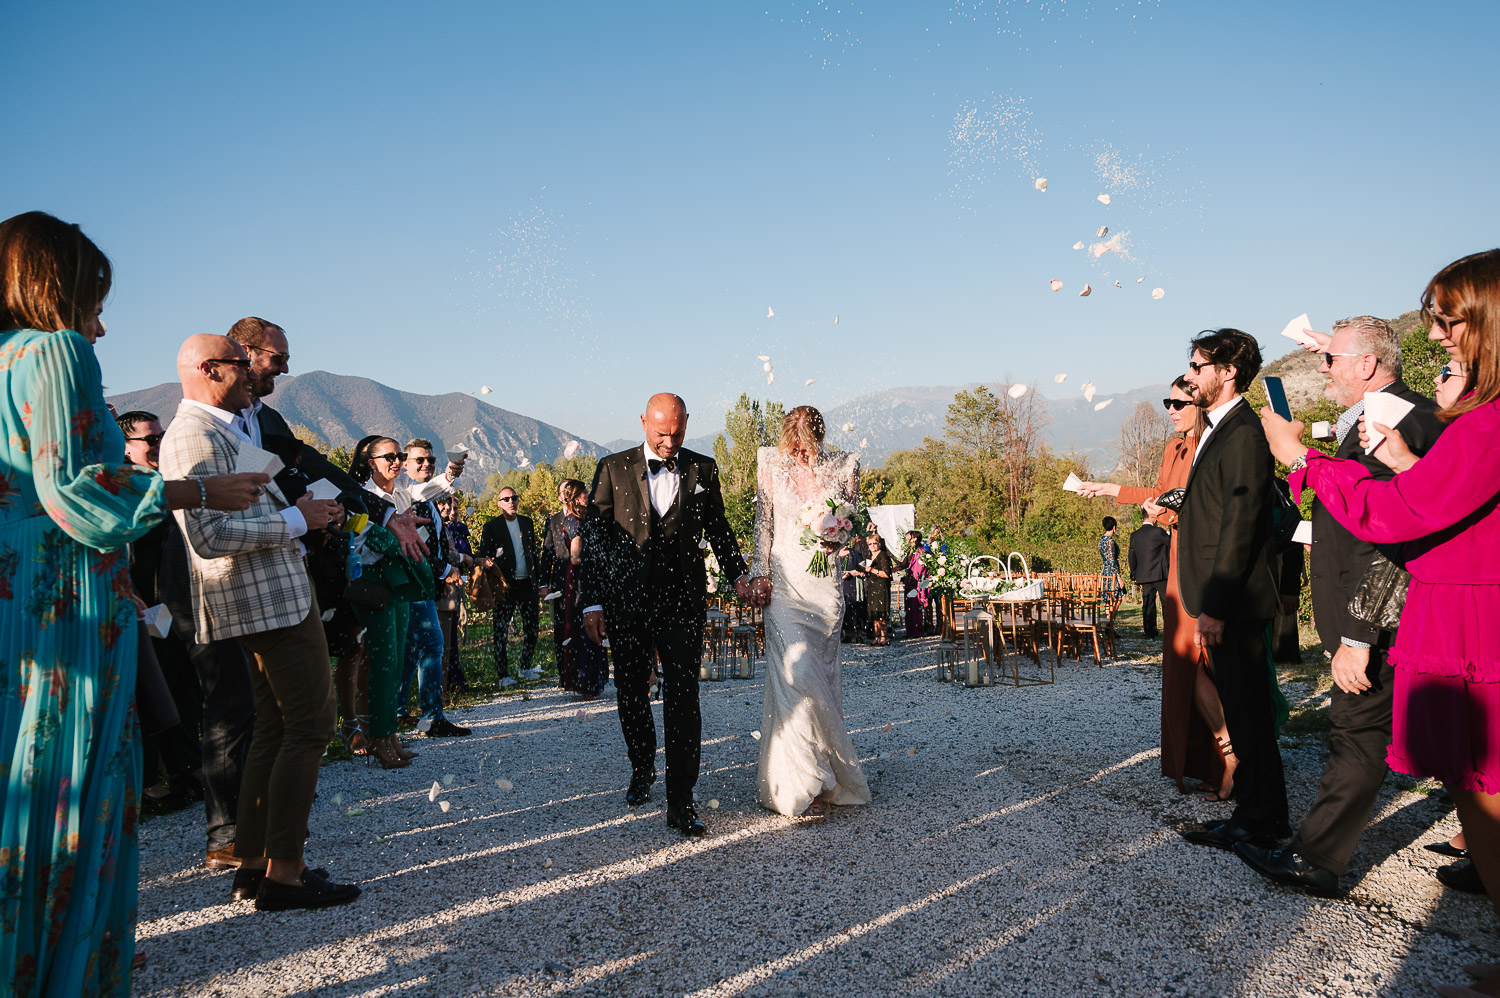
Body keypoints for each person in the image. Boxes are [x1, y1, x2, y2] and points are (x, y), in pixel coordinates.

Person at [0, 211, 269, 990]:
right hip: (66, 594)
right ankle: (71, 963)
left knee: (25, 780)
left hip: (15, 591)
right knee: (75, 779)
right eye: (95, 298)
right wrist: (198, 488)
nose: (102, 324)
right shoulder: (56, 350)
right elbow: (79, 489)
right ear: (58, 286)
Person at [1260, 252, 1500, 998]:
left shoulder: (1473, 419)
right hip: (1445, 605)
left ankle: (1323, 855)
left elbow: (1398, 523)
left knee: (1482, 785)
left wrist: (1301, 460)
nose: (1434, 336)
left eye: (1444, 318)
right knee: (1473, 787)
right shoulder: (1435, 420)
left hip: (1469, 619)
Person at [1236, 316, 1443, 895]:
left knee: (1356, 729)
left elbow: (1395, 536)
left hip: (1372, 617)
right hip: (1359, 608)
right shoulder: (1383, 415)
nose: (1321, 369)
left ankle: (1318, 860)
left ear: (1368, 366)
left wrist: (1359, 634)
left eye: (1331, 359)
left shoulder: (1401, 419)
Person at [159, 332, 360, 911]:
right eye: (240, 365)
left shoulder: (223, 427)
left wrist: (310, 512)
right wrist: (297, 522)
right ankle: (287, 874)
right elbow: (209, 536)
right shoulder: (192, 436)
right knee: (311, 725)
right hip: (261, 599)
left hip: (268, 594)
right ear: (207, 369)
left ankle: (253, 865)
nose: (251, 374)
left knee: (274, 729)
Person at [580, 393, 761, 838]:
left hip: (682, 602)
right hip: (627, 604)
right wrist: (592, 601)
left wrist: (740, 575)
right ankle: (642, 765)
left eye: (677, 433)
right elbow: (595, 541)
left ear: (686, 424)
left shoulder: (703, 468)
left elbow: (719, 530)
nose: (669, 441)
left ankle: (682, 799)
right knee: (631, 692)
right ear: (643, 422)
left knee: (684, 698)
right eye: (661, 433)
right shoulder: (611, 468)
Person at [1080, 378, 1235, 797]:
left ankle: (1231, 753)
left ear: (1199, 402)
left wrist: (1170, 508)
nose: (1171, 409)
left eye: (1179, 402)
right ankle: (1221, 756)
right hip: (1178, 560)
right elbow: (1160, 495)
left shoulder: (1216, 443)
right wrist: (1109, 488)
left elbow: (1206, 503)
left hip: (1202, 560)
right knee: (1182, 661)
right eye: (1168, 401)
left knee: (1202, 659)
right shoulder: (1173, 447)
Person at [1175, 327, 1292, 853]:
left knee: (1248, 719)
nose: (1190, 375)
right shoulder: (1220, 428)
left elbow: (1240, 525)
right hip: (1224, 599)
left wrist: (1215, 609)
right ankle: (1257, 814)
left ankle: (1261, 821)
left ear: (1228, 372)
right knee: (1243, 717)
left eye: (1199, 367)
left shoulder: (1243, 432)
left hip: (1236, 604)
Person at [750, 406, 872, 818]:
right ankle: (802, 785)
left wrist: (837, 540)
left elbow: (852, 522)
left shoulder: (845, 467)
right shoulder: (771, 464)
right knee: (795, 676)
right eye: (795, 446)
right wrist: (758, 573)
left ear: (818, 440)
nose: (802, 455)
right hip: (785, 585)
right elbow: (763, 525)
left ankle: (823, 774)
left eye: (808, 446)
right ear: (787, 440)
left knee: (822, 679)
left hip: (825, 590)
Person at [118, 410, 204, 813]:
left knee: (187, 689)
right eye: (148, 439)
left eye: (161, 437)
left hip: (185, 602)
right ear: (125, 447)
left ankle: (187, 771)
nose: (157, 445)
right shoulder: (124, 488)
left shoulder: (172, 477)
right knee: (152, 691)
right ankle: (148, 784)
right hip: (147, 603)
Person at [391, 438, 471, 736]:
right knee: (432, 645)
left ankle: (398, 711)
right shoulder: (404, 498)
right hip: (412, 583)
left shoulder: (427, 499)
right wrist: (446, 569)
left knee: (412, 650)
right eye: (419, 461)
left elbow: (435, 544)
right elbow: (414, 550)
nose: (426, 465)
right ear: (405, 464)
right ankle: (432, 716)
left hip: (423, 584)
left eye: (430, 461)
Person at [478, 485, 542, 686]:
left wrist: (539, 581)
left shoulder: (527, 522)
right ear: (499, 503)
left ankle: (525, 667)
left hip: (527, 584)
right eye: (506, 499)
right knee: (501, 629)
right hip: (504, 586)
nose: (511, 502)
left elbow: (533, 552)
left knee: (532, 628)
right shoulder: (491, 527)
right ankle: (503, 674)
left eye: (514, 497)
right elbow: (483, 554)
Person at [558, 479, 608, 698]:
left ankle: (591, 679)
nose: (588, 494)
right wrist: (598, 557)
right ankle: (585, 680)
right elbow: (576, 555)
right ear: (576, 497)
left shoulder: (582, 519)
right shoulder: (574, 522)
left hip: (584, 577)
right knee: (584, 628)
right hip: (580, 579)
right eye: (585, 492)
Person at [435, 495, 472, 697]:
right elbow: (440, 553)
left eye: (450, 505)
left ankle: (446, 686)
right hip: (439, 591)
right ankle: (438, 692)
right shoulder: (435, 525)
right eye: (444, 504)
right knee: (439, 645)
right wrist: (459, 557)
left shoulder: (449, 528)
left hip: (450, 591)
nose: (449, 509)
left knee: (448, 644)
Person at [1127, 514, 1170, 640]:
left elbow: (1132, 556)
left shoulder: (1134, 535)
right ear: (1153, 517)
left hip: (1144, 574)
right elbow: (1171, 543)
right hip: (1160, 573)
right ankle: (1169, 629)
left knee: (1148, 602)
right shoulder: (1158, 532)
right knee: (1166, 602)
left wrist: (1134, 572)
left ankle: (1149, 630)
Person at [864, 531, 896, 645]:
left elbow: (887, 574)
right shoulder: (869, 556)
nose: (872, 546)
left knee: (882, 612)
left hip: (881, 585)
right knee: (874, 612)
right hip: (871, 586)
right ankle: (876, 636)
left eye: (874, 543)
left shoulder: (882, 555)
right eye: (870, 544)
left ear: (879, 544)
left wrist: (872, 570)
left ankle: (884, 636)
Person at [903, 529, 930, 638]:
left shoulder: (920, 551)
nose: (906, 540)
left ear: (914, 538)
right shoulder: (911, 551)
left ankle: (917, 631)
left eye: (908, 537)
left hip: (915, 583)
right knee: (909, 608)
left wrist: (913, 577)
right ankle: (910, 630)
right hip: (909, 582)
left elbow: (918, 569)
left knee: (915, 608)